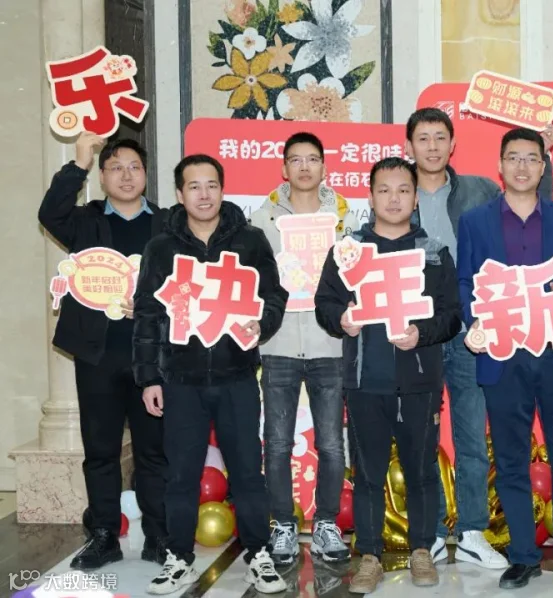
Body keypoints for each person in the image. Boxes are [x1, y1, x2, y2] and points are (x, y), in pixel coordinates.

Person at [405, 107, 553, 569]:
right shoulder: (397, 190)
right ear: (409, 146)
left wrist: (546, 157)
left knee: (472, 435)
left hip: (473, 327)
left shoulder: (479, 189)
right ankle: (431, 533)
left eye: (440, 138)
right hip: (419, 331)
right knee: (422, 437)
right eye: (423, 138)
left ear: (453, 145)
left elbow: (531, 212)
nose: (432, 147)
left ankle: (471, 531)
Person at [456, 128, 553, 592]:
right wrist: (474, 322)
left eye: (531, 158)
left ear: (544, 166)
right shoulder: (475, 222)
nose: (522, 166)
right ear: (500, 165)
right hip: (502, 355)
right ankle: (522, 557)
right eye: (513, 158)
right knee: (511, 462)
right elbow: (465, 282)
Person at [133, 154, 288, 594]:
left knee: (248, 472)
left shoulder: (250, 240)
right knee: (181, 475)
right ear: (179, 194)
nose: (204, 195)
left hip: (236, 376)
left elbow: (274, 295)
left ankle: (258, 555)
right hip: (180, 381)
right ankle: (178, 558)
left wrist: (263, 323)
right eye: (194, 186)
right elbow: (146, 316)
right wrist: (149, 378)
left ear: (223, 189)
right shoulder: (161, 248)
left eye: (212, 185)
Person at [315, 157, 461, 594]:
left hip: (419, 382)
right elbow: (325, 302)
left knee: (421, 472)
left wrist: (422, 333)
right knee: (367, 476)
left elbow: (452, 315)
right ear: (371, 196)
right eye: (384, 190)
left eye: (403, 190)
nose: (393, 199)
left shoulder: (434, 253)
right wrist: (341, 319)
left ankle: (422, 550)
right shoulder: (349, 252)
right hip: (365, 381)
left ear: (415, 198)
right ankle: (370, 556)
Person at [38, 132, 167, 570]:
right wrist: (79, 161)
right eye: (115, 168)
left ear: (146, 175)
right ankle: (104, 535)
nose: (126, 176)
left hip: (153, 358)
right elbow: (49, 212)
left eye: (134, 167)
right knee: (100, 450)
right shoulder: (85, 221)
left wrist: (154, 306)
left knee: (154, 451)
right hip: (98, 355)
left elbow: (187, 282)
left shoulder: (168, 224)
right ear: (102, 176)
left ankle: (159, 535)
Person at [249, 132, 359, 566]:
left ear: (324, 167)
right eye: (296, 160)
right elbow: (253, 279)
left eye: (313, 159)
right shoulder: (262, 219)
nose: (305, 167)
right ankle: (282, 524)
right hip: (277, 343)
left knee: (331, 443)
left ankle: (327, 523)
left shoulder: (343, 220)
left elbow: (355, 277)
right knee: (276, 443)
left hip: (328, 343)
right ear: (284, 168)